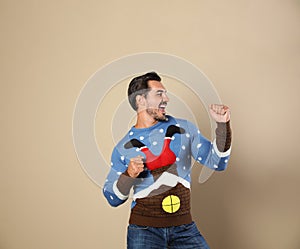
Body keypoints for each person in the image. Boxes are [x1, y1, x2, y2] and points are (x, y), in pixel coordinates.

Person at [103, 72, 232, 249]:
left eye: (165, 93)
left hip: (184, 229)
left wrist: (222, 126)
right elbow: (112, 198)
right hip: (143, 231)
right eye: (159, 94)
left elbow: (217, 163)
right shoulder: (122, 147)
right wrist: (128, 175)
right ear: (140, 100)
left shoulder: (184, 128)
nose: (166, 99)